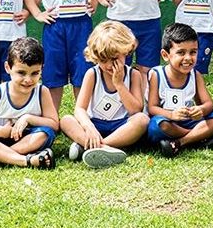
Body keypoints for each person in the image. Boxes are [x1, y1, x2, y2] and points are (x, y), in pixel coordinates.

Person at [60, 21, 149, 169]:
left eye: (114, 59)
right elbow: (79, 109)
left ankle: (97, 146)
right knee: (66, 120)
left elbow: (135, 110)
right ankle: (103, 148)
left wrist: (119, 84)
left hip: (121, 126)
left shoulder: (134, 75)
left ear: (125, 52)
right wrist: (89, 127)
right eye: (103, 60)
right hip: (96, 124)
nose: (109, 65)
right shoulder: (92, 74)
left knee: (142, 120)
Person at [0, 37, 57, 170]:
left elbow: (54, 124)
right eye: (21, 73)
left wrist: (28, 118)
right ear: (8, 67)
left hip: (26, 139)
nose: (28, 80)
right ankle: (27, 160)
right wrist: (1, 132)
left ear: (42, 69)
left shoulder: (42, 92)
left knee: (45, 134)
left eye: (35, 73)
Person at [147, 23, 213, 157]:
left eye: (193, 52)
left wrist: (201, 110)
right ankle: (199, 138)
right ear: (165, 55)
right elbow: (152, 108)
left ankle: (180, 142)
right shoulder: (157, 74)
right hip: (168, 122)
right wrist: (172, 115)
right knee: (158, 125)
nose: (188, 58)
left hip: (189, 121)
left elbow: (209, 105)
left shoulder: (195, 75)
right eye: (181, 52)